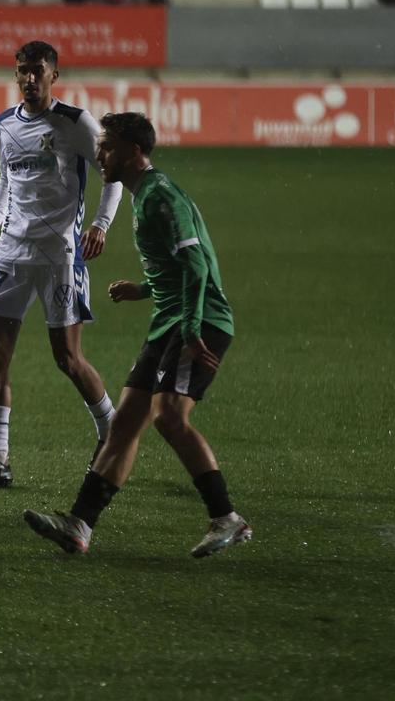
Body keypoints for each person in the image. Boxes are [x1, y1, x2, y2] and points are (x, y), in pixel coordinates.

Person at [23, 112, 250, 559]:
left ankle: (227, 518)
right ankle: (79, 524)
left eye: (106, 146)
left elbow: (199, 266)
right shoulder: (145, 194)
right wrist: (144, 288)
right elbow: (179, 263)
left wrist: (189, 330)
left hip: (198, 322)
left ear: (133, 150)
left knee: (168, 416)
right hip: (171, 319)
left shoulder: (160, 196)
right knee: (124, 424)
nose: (99, 154)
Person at [0, 40, 123, 488]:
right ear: (15, 75)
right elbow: (6, 178)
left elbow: (110, 171)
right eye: (22, 70)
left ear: (54, 74)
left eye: (37, 70)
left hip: (59, 253)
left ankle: (112, 432)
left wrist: (100, 224)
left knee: (68, 358)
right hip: (11, 251)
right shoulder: (4, 125)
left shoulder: (75, 123)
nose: (29, 78)